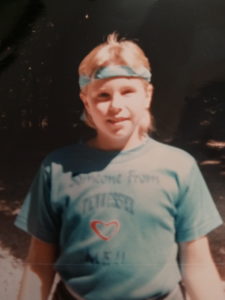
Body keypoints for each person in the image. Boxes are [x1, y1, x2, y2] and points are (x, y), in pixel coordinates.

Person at [15, 33, 224, 300]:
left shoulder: (178, 167)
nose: (116, 106)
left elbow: (198, 267)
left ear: (147, 95)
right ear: (86, 101)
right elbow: (38, 266)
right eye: (103, 95)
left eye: (128, 91)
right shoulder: (57, 168)